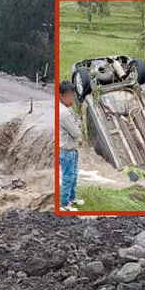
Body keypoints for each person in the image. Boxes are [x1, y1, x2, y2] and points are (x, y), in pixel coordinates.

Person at [59, 80, 84, 212]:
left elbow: (77, 123)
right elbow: (76, 132)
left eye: (73, 94)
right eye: (69, 95)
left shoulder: (68, 109)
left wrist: (77, 123)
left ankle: (71, 198)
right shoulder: (63, 113)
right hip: (66, 150)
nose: (72, 97)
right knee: (68, 177)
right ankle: (64, 203)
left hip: (71, 149)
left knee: (73, 174)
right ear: (61, 96)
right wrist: (78, 124)